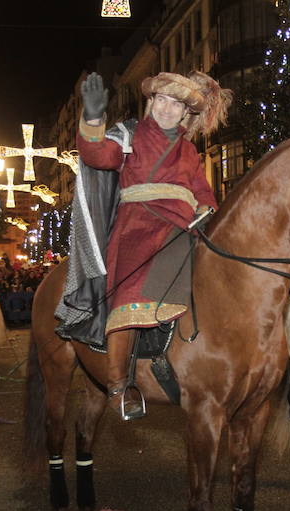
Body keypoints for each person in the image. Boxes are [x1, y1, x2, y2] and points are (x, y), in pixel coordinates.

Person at [77, 69, 232, 420]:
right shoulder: (129, 135)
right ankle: (119, 385)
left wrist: (207, 209)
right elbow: (98, 156)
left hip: (184, 226)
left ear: (184, 114)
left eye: (175, 104)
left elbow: (203, 192)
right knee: (133, 286)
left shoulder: (189, 150)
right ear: (151, 103)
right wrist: (93, 116)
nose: (166, 108)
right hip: (140, 226)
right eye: (161, 99)